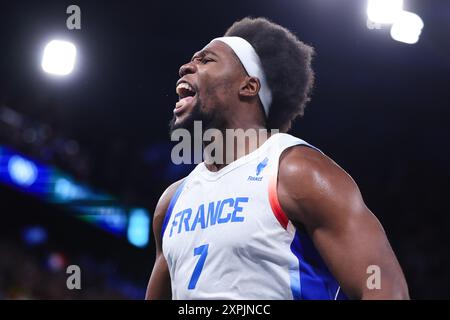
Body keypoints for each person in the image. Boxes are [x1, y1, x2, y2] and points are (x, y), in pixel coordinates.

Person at [146, 17, 409, 300]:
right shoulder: (172, 202)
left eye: (206, 60)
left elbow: (382, 285)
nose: (186, 67)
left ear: (248, 86)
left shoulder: (297, 173)